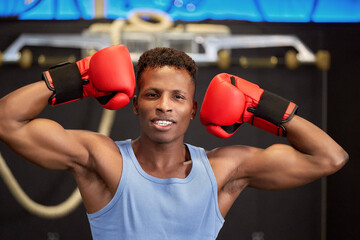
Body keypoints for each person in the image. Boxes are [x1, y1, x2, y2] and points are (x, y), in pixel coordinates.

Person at [0, 45, 348, 240]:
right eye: (152, 94)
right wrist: (80, 78)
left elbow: (330, 158)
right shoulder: (103, 159)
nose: (164, 104)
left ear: (193, 109)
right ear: (136, 103)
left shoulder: (224, 169)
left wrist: (259, 106)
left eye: (178, 97)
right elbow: (6, 120)